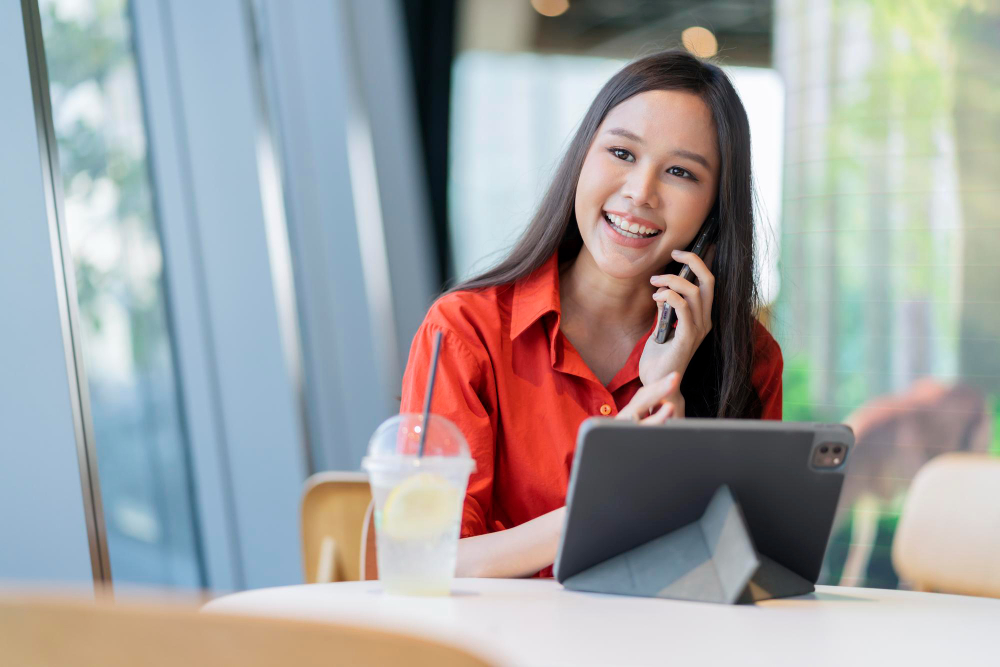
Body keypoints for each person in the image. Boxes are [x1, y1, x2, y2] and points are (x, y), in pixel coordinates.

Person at [400, 49, 783, 579]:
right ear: (584, 156)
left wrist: (667, 389)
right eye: (622, 154)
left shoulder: (750, 359)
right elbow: (431, 558)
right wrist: (606, 493)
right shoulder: (466, 332)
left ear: (715, 209)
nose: (639, 193)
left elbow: (742, 577)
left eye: (679, 172)